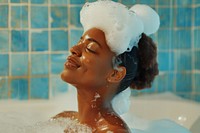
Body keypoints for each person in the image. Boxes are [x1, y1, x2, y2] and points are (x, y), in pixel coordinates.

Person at [54, 1, 160, 132]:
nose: (74, 49)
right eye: (79, 42)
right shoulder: (63, 120)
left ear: (115, 74)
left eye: (90, 48)